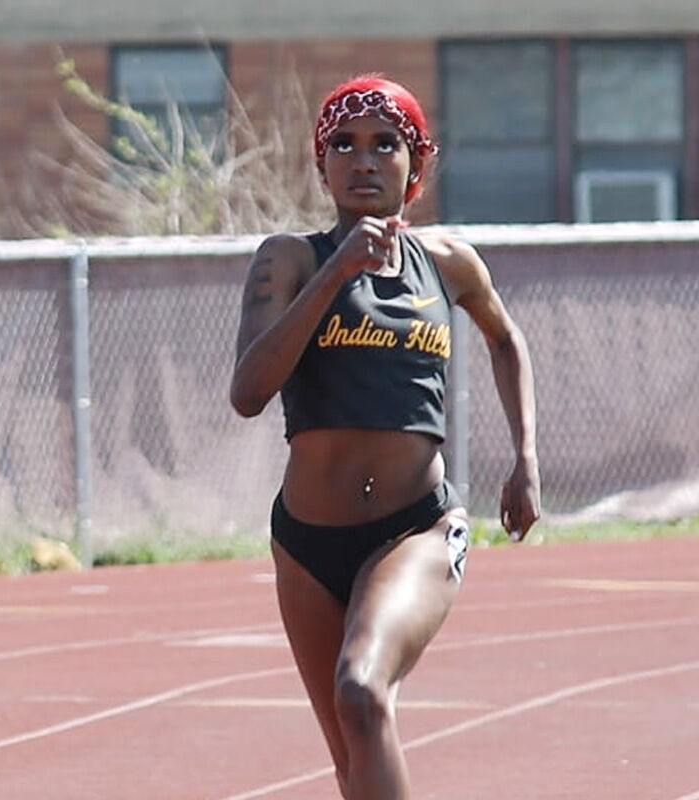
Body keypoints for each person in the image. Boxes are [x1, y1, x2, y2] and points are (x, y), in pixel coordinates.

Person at [229, 74, 540, 799]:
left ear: (416, 166)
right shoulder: (290, 260)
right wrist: (339, 270)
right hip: (306, 542)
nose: (362, 160)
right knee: (350, 755)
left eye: (384, 144)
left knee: (363, 692)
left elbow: (505, 339)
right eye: (343, 144)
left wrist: (525, 457)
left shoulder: (451, 264)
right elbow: (248, 393)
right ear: (321, 165)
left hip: (415, 529)